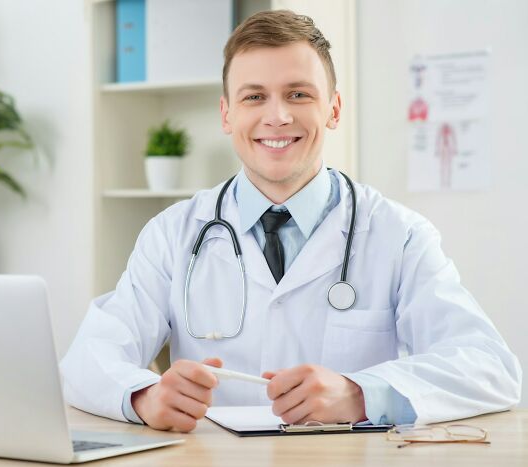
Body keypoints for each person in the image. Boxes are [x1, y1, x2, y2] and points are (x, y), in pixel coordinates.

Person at [61, 10, 521, 433]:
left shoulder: (399, 235)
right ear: (227, 114)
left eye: (298, 94)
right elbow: (87, 360)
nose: (277, 116)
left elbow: (489, 367)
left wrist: (362, 393)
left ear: (334, 108)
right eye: (254, 96)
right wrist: (144, 395)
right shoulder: (172, 234)